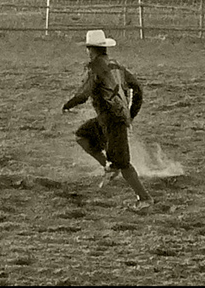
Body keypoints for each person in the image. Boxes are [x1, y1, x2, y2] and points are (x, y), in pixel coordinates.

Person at [62, 29, 155, 212]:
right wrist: (131, 114)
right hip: (111, 120)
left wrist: (68, 104)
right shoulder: (117, 66)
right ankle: (108, 166)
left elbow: (84, 93)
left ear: (90, 49)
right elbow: (137, 89)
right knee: (83, 136)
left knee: (123, 162)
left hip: (111, 121)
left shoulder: (94, 68)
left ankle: (145, 198)